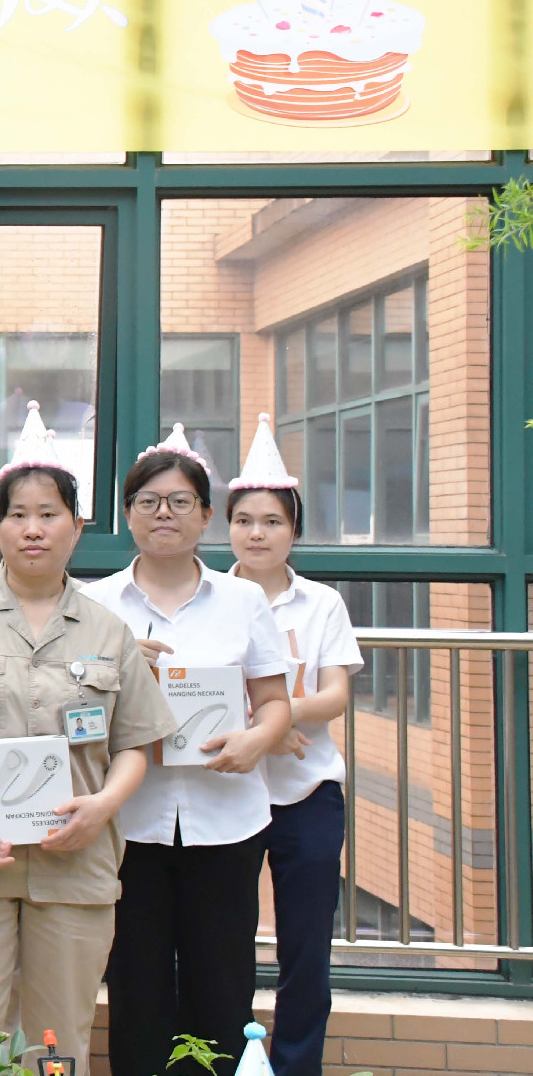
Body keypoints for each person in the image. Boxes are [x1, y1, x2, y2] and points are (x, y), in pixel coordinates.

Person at [0, 404, 174, 1076]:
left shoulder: (108, 631)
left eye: (49, 514)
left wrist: (102, 808)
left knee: (59, 1034)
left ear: (77, 527)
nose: (33, 528)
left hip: (76, 865)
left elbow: (137, 744)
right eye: (18, 514)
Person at [82, 424, 293, 1076]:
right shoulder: (94, 605)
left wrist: (257, 739)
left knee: (223, 986)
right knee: (137, 988)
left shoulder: (243, 600)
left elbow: (276, 703)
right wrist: (119, 677)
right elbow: (76, 725)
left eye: (180, 501)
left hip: (227, 823)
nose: (163, 514)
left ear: (206, 515)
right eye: (148, 501)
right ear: (127, 515)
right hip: (131, 825)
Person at [224, 414, 360, 1076]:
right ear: (226, 527)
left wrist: (275, 718)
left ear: (294, 531)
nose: (257, 533)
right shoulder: (211, 598)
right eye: (244, 520)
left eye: (272, 521)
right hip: (229, 794)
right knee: (223, 947)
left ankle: (297, 1066)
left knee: (306, 950)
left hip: (310, 794)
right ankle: (227, 1061)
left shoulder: (322, 604)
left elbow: (336, 696)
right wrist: (271, 726)